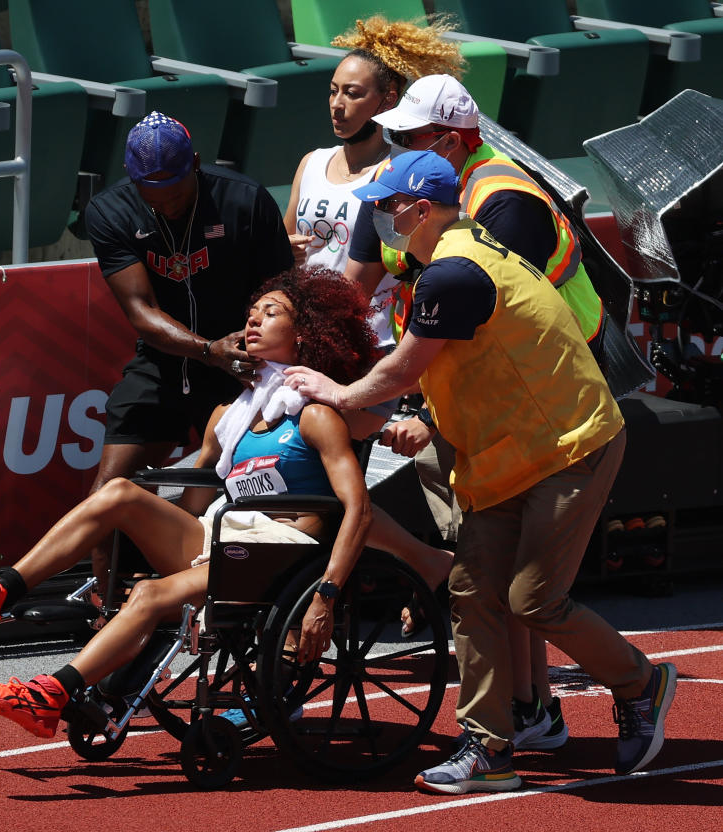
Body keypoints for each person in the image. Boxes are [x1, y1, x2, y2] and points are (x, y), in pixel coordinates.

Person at [284, 150, 676, 794]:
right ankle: (490, 749)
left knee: (534, 599)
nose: (378, 215)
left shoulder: (456, 272)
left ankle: (642, 682)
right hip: (503, 455)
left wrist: (340, 392)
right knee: (471, 592)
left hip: (568, 446)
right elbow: (453, 371)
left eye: (386, 204)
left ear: (418, 209)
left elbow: (402, 370)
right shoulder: (445, 263)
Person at [0, 267, 377, 739]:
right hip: (225, 532)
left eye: (270, 314)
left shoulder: (315, 416)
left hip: (281, 548)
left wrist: (327, 593)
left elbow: (358, 510)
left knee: (151, 595)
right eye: (251, 313)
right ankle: (0, 590)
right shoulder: (229, 416)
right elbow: (196, 498)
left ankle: (50, 693)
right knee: (119, 493)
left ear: (304, 335)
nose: (253, 321)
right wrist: (149, 525)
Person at [356, 74, 608, 748]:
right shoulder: (425, 192)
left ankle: (546, 702)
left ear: (451, 138)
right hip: (477, 391)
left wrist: (424, 413)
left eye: (408, 137)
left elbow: (491, 325)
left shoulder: (503, 199)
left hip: (543, 391)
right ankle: (526, 709)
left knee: (516, 576)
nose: (395, 146)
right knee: (488, 568)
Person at [79, 111, 294, 592]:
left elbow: (284, 293)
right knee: (109, 492)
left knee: (258, 486)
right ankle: (109, 610)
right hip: (166, 358)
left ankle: (240, 597)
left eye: (176, 195)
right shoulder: (110, 212)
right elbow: (140, 310)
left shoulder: (244, 200)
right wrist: (205, 349)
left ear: (195, 164)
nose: (168, 207)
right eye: (152, 198)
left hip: (243, 361)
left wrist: (247, 350)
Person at [285, 15, 464, 353]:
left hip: (372, 338)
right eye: (333, 91)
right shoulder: (311, 163)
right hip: (305, 329)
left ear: (388, 100)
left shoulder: (401, 172)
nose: (337, 105)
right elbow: (282, 242)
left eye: (352, 94)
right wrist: (285, 250)